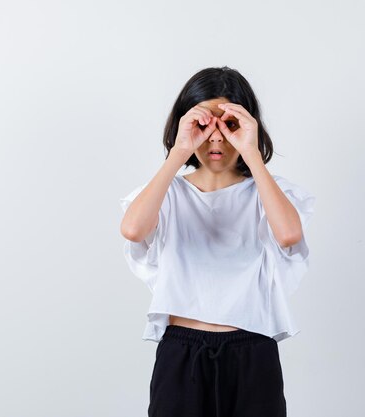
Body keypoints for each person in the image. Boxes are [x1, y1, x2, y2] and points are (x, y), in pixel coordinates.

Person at [119, 66, 316, 417]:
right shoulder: (168, 192)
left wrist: (252, 154)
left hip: (252, 349)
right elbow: (133, 229)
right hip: (182, 353)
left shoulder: (268, 192)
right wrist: (178, 153)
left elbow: (288, 234)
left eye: (228, 125)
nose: (215, 137)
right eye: (204, 124)